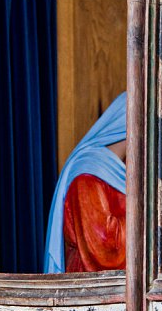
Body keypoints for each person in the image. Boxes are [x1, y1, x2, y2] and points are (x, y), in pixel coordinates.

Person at [43, 93, 127, 273]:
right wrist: (150, 217)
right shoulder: (88, 174)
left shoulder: (123, 173)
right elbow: (105, 244)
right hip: (90, 291)